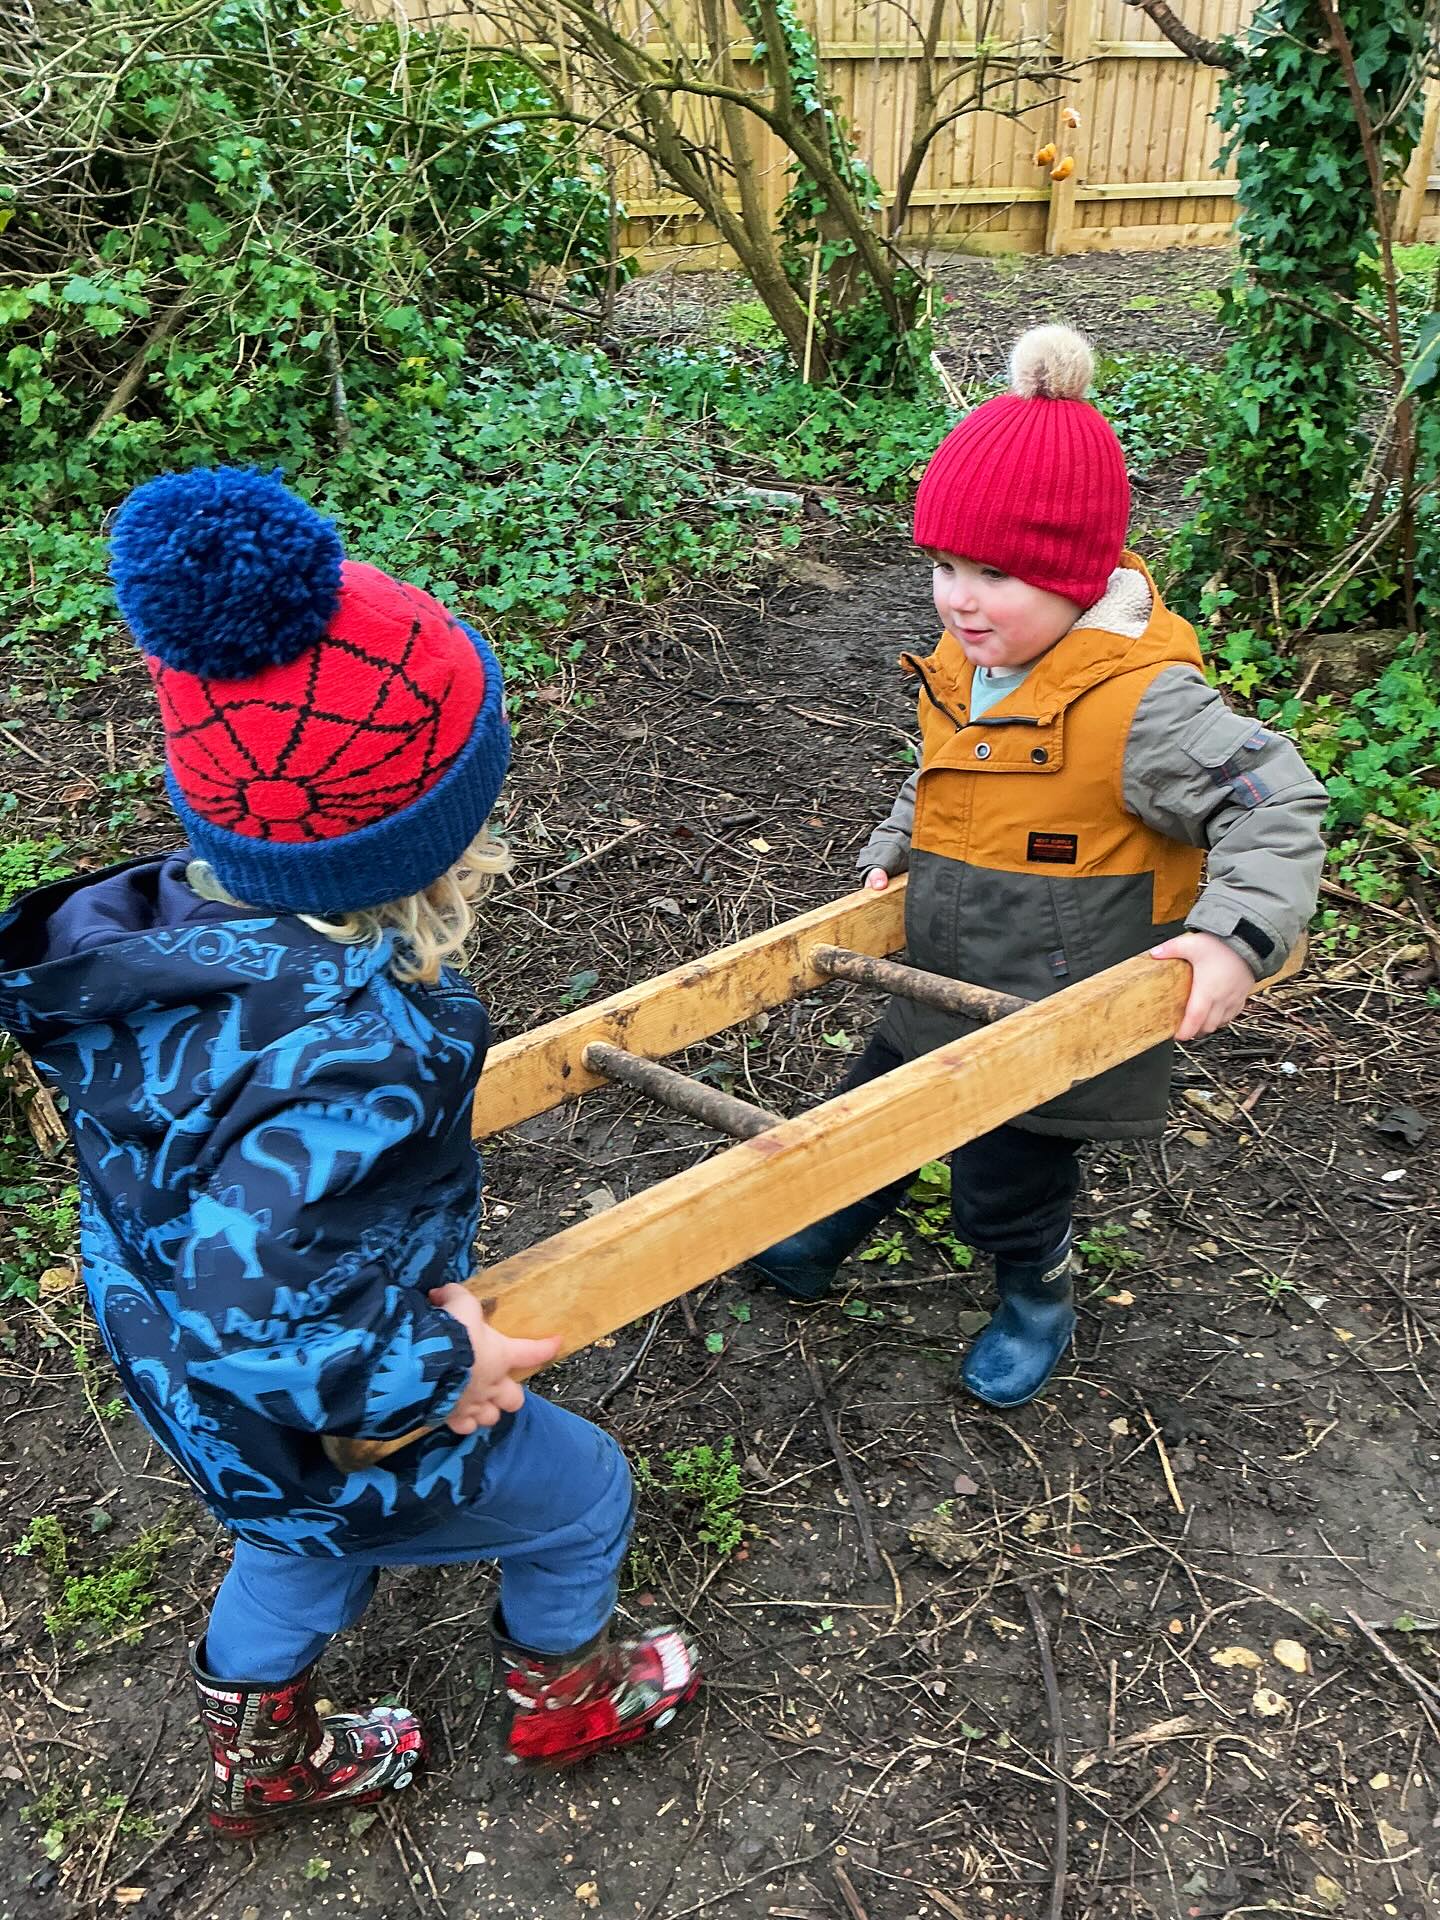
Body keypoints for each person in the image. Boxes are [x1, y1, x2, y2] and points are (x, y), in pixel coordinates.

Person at [0, 468, 698, 1841]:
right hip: (316, 1406)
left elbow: (219, 1238)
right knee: (580, 1494)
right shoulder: (344, 1048)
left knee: (292, 1546)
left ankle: (262, 1762)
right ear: (433, 838)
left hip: (202, 1394)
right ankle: (571, 1697)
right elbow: (257, 1291)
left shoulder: (167, 953)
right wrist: (440, 1370)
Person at [750, 326, 1326, 1410]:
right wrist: (893, 847)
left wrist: (1233, 933)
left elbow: (1276, 796)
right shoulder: (980, 670)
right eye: (944, 567)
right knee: (866, 1113)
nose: (960, 599)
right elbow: (945, 776)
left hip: (1048, 1008)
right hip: (940, 965)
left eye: (996, 575)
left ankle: (1036, 1287)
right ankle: (827, 1220)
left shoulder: (1142, 708)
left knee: (1002, 1184)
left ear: (1073, 575)